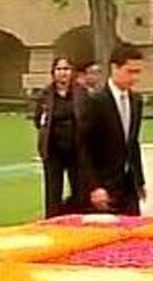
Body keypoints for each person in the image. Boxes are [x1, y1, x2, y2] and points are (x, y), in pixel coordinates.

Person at [80, 44, 146, 215]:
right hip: (104, 187)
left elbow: (132, 143)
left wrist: (139, 181)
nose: (135, 78)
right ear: (114, 68)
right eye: (130, 71)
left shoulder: (136, 101)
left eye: (138, 72)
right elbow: (83, 148)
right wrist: (94, 186)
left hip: (129, 185)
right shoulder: (95, 102)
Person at [34, 57, 87, 217]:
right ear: (53, 72)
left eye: (66, 69)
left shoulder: (82, 94)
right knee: (53, 191)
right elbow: (38, 119)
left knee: (79, 189)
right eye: (59, 69)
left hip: (76, 149)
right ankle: (52, 221)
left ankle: (75, 219)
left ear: (72, 72)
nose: (62, 73)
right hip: (53, 149)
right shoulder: (45, 95)